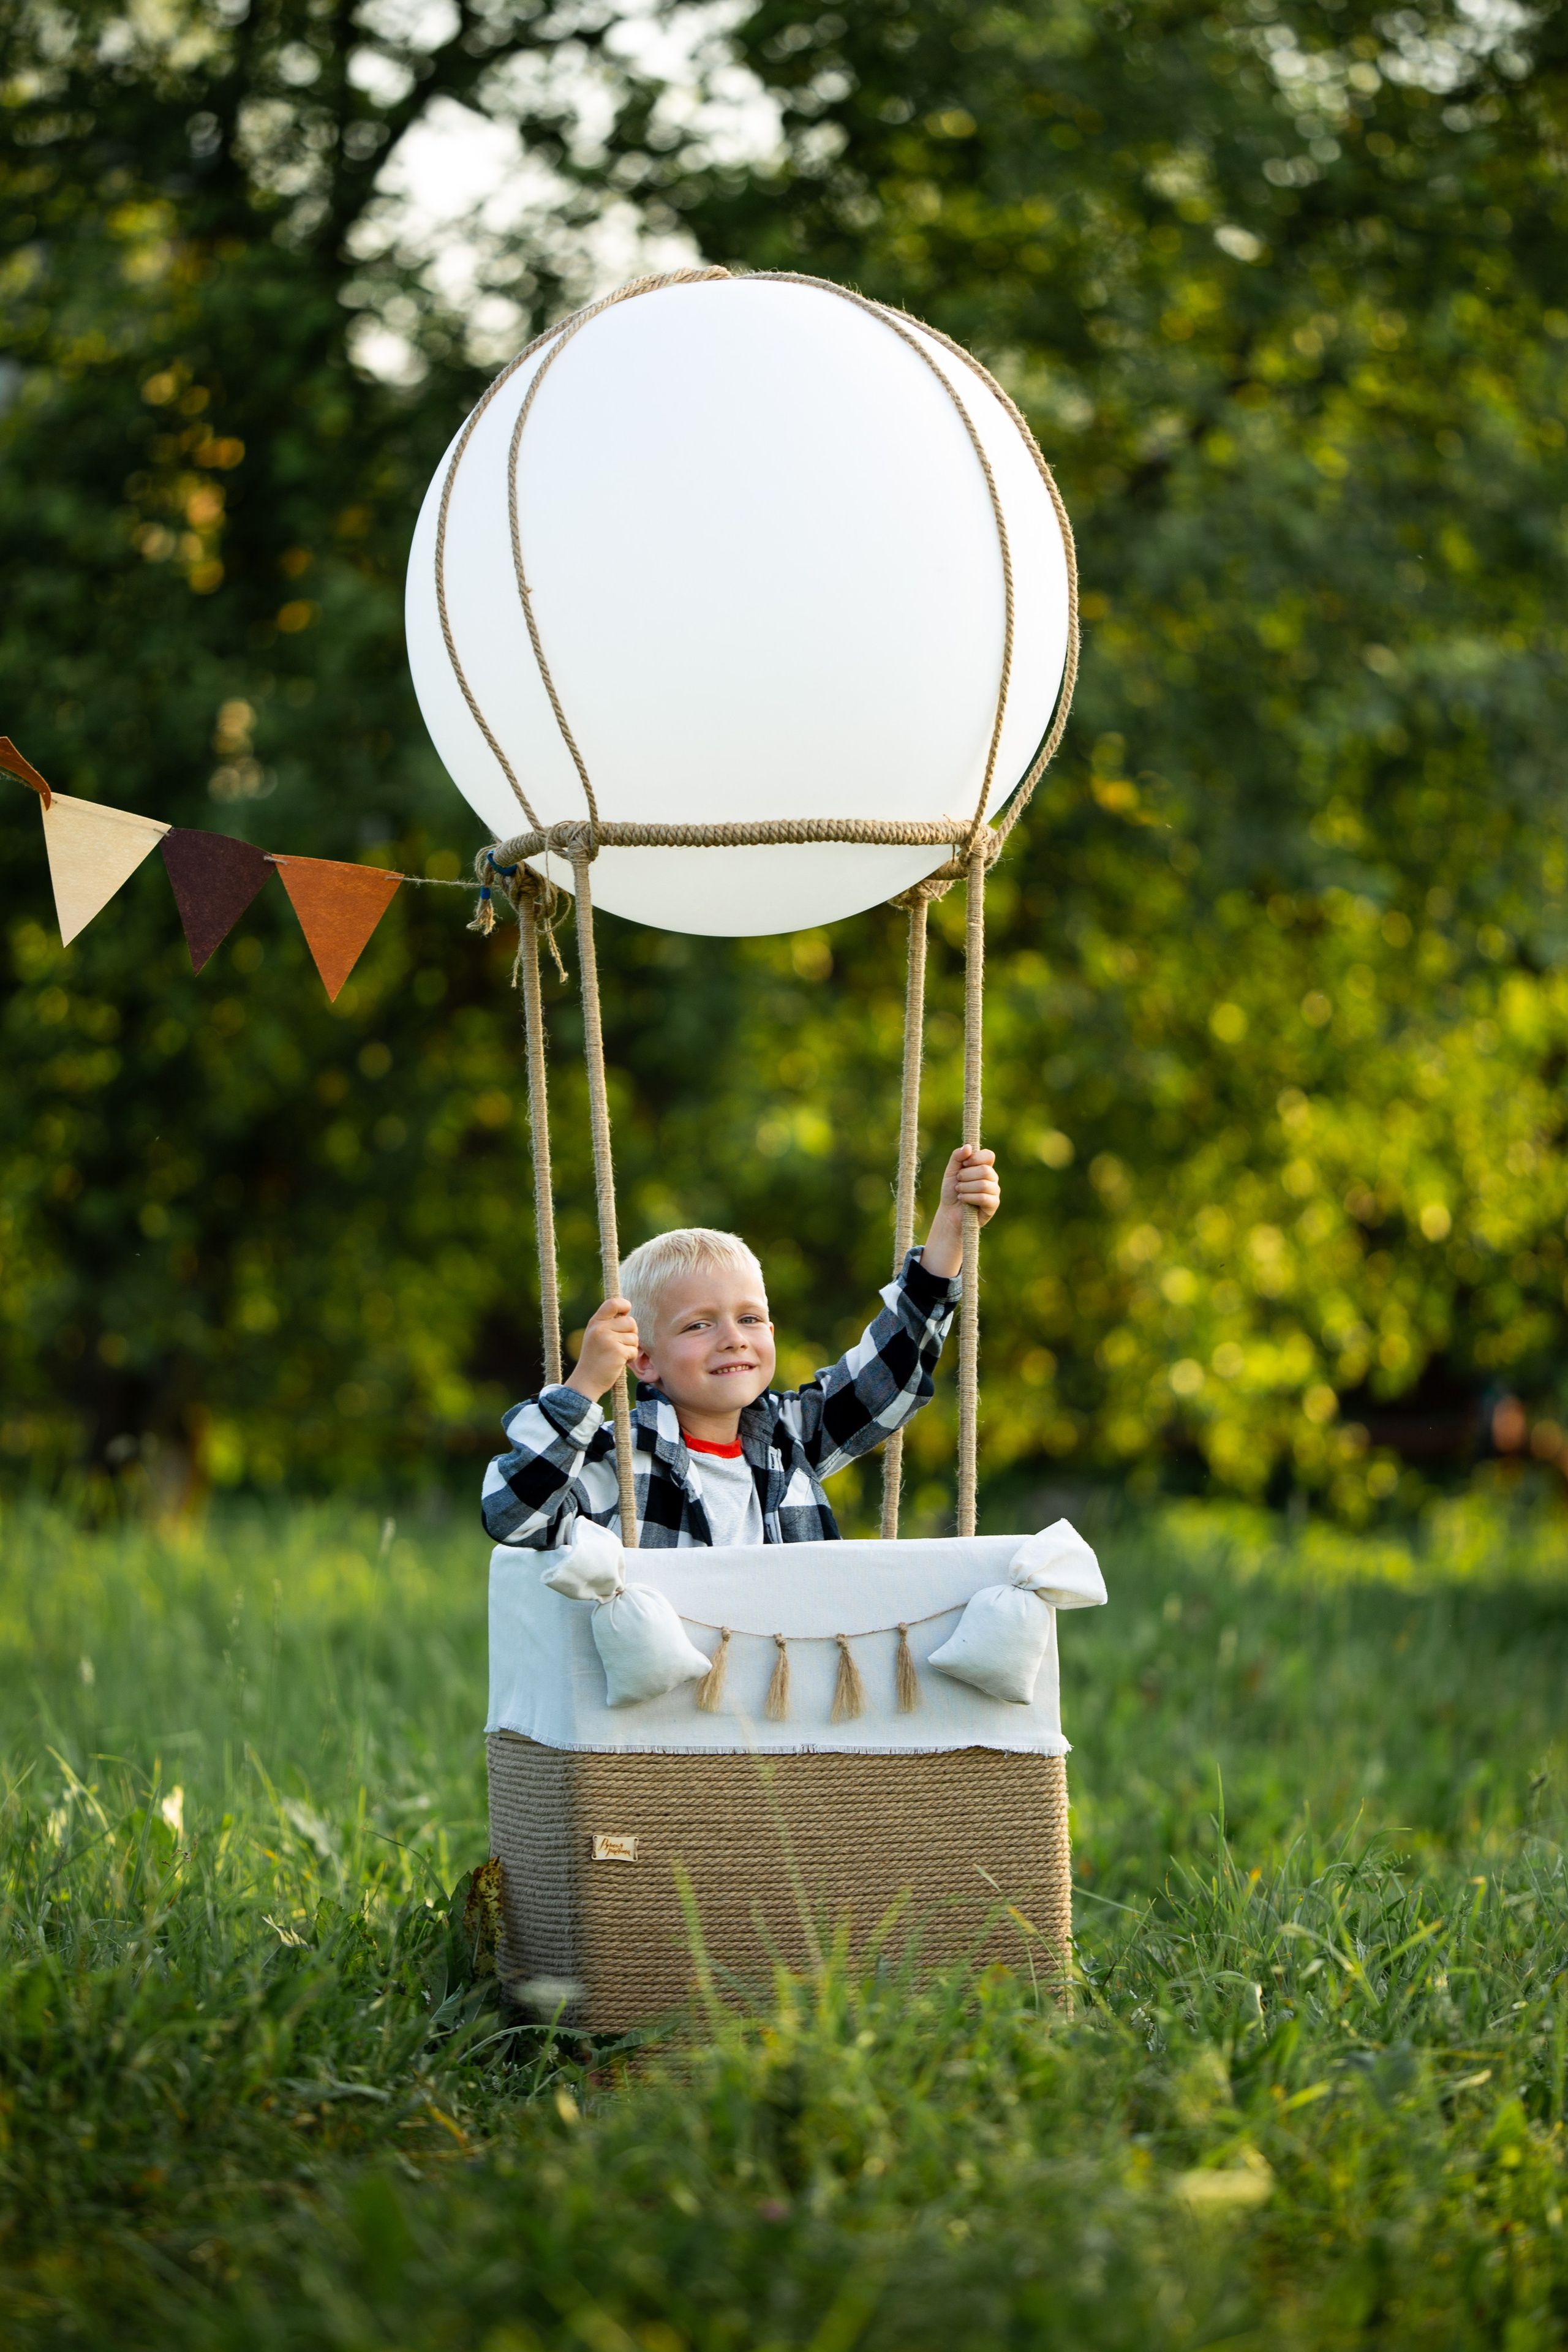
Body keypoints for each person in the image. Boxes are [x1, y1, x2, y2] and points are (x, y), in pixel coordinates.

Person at [481, 1144, 1001, 1549]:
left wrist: (948, 1235)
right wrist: (584, 1387)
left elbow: (886, 1380)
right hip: (671, 1687)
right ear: (643, 1359)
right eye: (698, 1326)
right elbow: (513, 1516)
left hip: (780, 1684)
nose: (733, 1340)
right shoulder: (613, 1462)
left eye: (749, 1319)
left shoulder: (788, 1440)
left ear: (770, 1335)